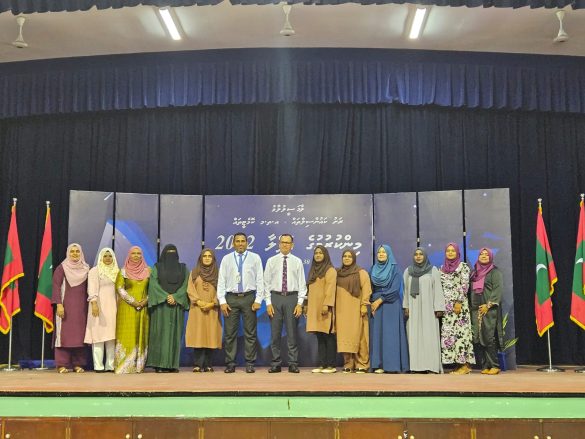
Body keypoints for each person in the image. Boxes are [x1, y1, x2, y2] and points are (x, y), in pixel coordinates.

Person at [217, 232, 264, 373]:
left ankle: (250, 363)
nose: (240, 244)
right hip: (231, 298)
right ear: (233, 243)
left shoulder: (255, 258)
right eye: (237, 241)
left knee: (250, 332)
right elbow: (221, 281)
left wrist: (258, 299)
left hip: (249, 298)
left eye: (243, 241)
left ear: (247, 243)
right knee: (230, 333)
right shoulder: (226, 259)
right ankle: (230, 363)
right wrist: (222, 301)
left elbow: (260, 279)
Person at [264, 234, 307, 374]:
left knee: (292, 333)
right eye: (282, 242)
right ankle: (276, 363)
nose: (285, 245)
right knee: (275, 333)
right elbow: (266, 283)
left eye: (288, 243)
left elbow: (302, 284)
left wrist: (300, 303)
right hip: (275, 298)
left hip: (292, 298)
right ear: (278, 244)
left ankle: (293, 363)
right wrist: (268, 303)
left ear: (292, 245)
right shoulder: (271, 261)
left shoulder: (297, 262)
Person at [147, 244, 190, 373]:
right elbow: (153, 284)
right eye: (168, 252)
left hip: (176, 307)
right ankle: (158, 364)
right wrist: (166, 297)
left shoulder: (183, 268)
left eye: (173, 252)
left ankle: (172, 364)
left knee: (175, 335)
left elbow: (186, 285)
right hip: (160, 307)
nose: (171, 255)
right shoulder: (156, 267)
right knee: (159, 334)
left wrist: (176, 297)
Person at [403, 247, 445, 374]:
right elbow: (405, 291)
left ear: (425, 256)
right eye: (416, 254)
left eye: (421, 254)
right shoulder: (408, 271)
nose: (418, 256)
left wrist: (439, 308)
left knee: (429, 336)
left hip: (429, 309)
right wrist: (406, 306)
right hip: (414, 308)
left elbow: (437, 289)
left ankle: (431, 366)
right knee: (414, 335)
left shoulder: (433, 270)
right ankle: (416, 366)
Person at [369, 244, 409, 373]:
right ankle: (379, 364)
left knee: (390, 335)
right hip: (376, 305)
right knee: (378, 335)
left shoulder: (395, 269)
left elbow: (395, 289)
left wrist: (379, 300)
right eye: (379, 252)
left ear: (389, 254)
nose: (381, 254)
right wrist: (372, 302)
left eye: (384, 252)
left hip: (390, 304)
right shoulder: (373, 269)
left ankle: (391, 365)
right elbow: (370, 288)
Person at [52, 243, 90, 374]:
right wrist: (58, 304)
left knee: (80, 336)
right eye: (72, 251)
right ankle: (62, 364)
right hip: (65, 308)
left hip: (82, 310)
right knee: (64, 336)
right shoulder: (61, 268)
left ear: (81, 253)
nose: (75, 254)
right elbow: (56, 287)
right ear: (68, 253)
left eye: (77, 252)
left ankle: (78, 364)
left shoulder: (86, 269)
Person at [439, 243, 475, 375]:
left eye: (452, 251)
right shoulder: (442, 268)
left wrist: (459, 301)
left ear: (457, 252)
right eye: (448, 251)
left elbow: (464, 285)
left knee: (462, 335)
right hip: (447, 308)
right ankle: (457, 364)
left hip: (459, 307)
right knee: (450, 335)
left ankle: (465, 365)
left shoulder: (463, 267)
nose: (450, 253)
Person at [114, 246, 150, 374]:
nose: (136, 255)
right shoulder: (123, 271)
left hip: (143, 307)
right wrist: (133, 301)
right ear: (129, 255)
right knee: (126, 334)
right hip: (127, 307)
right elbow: (119, 288)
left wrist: (146, 300)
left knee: (140, 333)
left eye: (139, 253)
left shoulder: (148, 271)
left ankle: (138, 366)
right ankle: (124, 365)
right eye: (133, 253)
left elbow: (153, 289)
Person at [335, 250, 372, 374]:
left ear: (354, 258)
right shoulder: (338, 273)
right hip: (342, 309)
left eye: (349, 256)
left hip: (357, 308)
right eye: (344, 256)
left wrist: (364, 305)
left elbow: (367, 289)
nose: (346, 258)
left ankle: (362, 363)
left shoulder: (361, 273)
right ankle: (348, 363)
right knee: (345, 336)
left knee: (360, 335)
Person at [186, 248, 222, 372]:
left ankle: (208, 364)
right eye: (204, 256)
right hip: (197, 309)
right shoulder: (194, 272)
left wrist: (212, 303)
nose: (207, 258)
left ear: (213, 259)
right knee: (198, 336)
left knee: (211, 336)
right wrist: (198, 301)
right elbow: (190, 289)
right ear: (200, 258)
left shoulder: (218, 274)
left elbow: (221, 291)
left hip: (212, 309)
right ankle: (197, 364)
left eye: (209, 256)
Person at [84, 247, 119, 373]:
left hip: (113, 307)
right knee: (98, 337)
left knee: (111, 337)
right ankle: (98, 366)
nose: (108, 258)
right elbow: (92, 288)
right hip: (98, 306)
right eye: (105, 256)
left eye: (110, 256)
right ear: (101, 257)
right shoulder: (95, 271)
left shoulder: (116, 271)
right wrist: (94, 304)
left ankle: (110, 365)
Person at [470, 247, 504, 375]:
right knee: (479, 338)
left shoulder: (495, 272)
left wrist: (488, 305)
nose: (484, 256)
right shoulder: (474, 273)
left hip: (489, 310)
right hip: (475, 310)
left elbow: (497, 290)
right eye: (481, 254)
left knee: (489, 337)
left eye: (486, 254)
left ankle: (494, 365)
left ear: (490, 257)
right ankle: (485, 365)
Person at [306, 245, 337, 374]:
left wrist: (326, 305)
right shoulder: (313, 270)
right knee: (319, 336)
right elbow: (308, 290)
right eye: (316, 253)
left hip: (325, 308)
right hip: (314, 308)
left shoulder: (330, 270)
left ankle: (330, 365)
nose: (318, 255)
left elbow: (330, 289)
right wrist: (306, 305)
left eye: (320, 253)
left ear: (325, 255)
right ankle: (322, 364)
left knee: (328, 336)